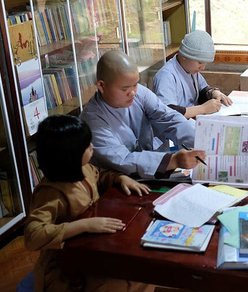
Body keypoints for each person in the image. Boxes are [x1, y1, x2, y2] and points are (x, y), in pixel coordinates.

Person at [24, 115, 152, 292]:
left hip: (92, 252)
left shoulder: (84, 168)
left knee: (144, 272)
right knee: (128, 284)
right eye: (86, 145)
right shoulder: (50, 193)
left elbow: (100, 174)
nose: (92, 147)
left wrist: (120, 178)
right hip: (64, 268)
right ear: (69, 154)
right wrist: (83, 225)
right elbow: (33, 236)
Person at [79, 50, 204, 178]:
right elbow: (123, 160)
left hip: (151, 170)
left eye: (135, 84)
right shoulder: (92, 122)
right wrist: (173, 160)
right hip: (120, 180)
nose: (133, 92)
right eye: (125, 89)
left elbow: (168, 118)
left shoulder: (139, 94)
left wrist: (202, 141)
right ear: (101, 86)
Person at [152, 30, 232, 119]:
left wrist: (214, 92)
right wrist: (202, 109)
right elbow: (167, 113)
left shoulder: (190, 69)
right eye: (200, 62)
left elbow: (202, 90)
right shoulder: (166, 76)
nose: (203, 68)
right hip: (175, 130)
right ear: (184, 56)